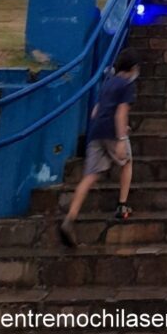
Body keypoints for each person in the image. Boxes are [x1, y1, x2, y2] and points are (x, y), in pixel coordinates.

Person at [59, 48, 140, 248]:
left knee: (90, 175)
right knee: (127, 162)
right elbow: (120, 113)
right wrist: (121, 138)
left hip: (96, 131)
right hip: (113, 131)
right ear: (132, 68)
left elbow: (96, 110)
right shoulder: (127, 85)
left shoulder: (108, 82)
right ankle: (122, 205)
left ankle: (70, 217)